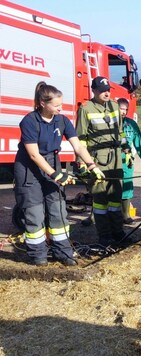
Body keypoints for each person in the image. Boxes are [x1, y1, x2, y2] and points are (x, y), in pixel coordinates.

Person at [13, 81, 104, 266]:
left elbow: (78, 145)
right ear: (42, 103)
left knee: (58, 211)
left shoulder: (62, 121)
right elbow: (33, 154)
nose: (60, 109)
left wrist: (92, 165)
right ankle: (38, 255)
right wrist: (56, 174)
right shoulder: (30, 121)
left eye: (61, 104)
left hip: (52, 164)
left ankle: (63, 252)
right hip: (29, 170)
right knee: (35, 213)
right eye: (56, 105)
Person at [75, 76, 125, 247]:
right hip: (97, 159)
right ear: (94, 91)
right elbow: (80, 138)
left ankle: (118, 232)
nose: (106, 93)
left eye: (108, 90)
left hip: (116, 157)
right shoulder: (86, 109)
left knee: (115, 198)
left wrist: (127, 149)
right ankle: (104, 235)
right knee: (100, 200)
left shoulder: (115, 105)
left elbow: (121, 130)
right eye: (102, 90)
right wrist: (82, 163)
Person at [118, 98, 141, 224]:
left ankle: (125, 215)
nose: (123, 112)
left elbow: (140, 144)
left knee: (127, 186)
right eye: (121, 109)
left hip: (126, 162)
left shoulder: (131, 125)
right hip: (109, 162)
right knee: (102, 187)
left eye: (126, 109)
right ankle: (94, 216)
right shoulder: (108, 123)